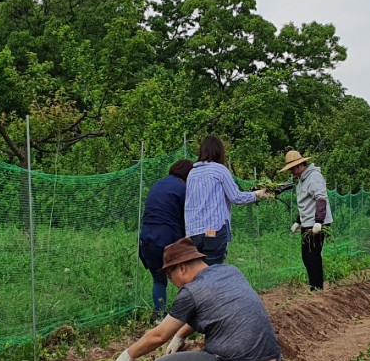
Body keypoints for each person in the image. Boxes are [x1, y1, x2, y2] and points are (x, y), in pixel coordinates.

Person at [113, 237, 281, 361]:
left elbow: (159, 336)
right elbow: (207, 309)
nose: (172, 282)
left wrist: (128, 355)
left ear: (182, 268)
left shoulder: (192, 291)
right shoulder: (229, 271)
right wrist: (179, 336)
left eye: (170, 276)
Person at [183, 135, 270, 265]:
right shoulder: (220, 170)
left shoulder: (192, 173)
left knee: (198, 273)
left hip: (193, 233)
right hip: (213, 231)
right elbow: (236, 197)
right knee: (214, 271)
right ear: (219, 151)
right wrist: (256, 195)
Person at [138, 159, 195, 315]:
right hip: (168, 239)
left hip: (147, 239)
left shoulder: (158, 184)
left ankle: (160, 316)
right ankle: (183, 317)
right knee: (186, 280)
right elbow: (188, 216)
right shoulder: (183, 188)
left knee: (159, 279)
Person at [281, 148, 332, 291]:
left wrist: (319, 221)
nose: (291, 172)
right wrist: (298, 221)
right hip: (307, 223)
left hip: (316, 224)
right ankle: (314, 286)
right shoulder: (301, 181)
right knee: (307, 257)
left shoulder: (314, 176)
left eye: (292, 168)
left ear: (300, 165)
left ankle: (317, 288)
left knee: (312, 256)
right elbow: (306, 203)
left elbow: (321, 198)